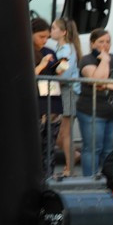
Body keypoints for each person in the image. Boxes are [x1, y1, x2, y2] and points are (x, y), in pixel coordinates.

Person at [77, 28, 113, 177]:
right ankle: (90, 182)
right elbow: (98, 78)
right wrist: (105, 60)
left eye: (107, 41)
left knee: (111, 150)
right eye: (101, 41)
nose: (105, 45)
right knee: (93, 149)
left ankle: (108, 180)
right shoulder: (86, 60)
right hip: (92, 112)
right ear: (92, 43)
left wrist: (106, 85)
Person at [51, 17, 81, 177]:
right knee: (57, 132)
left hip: (68, 92)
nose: (51, 31)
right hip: (64, 92)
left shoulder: (66, 50)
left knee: (65, 132)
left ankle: (69, 168)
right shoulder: (63, 48)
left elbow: (63, 73)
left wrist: (49, 73)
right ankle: (73, 155)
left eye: (54, 28)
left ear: (63, 32)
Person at [33, 17, 63, 176]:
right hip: (36, 107)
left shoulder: (50, 51)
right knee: (34, 148)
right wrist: (42, 65)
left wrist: (60, 68)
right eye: (41, 37)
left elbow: (55, 74)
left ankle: (49, 179)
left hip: (53, 104)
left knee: (50, 147)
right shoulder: (24, 51)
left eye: (47, 37)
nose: (45, 40)